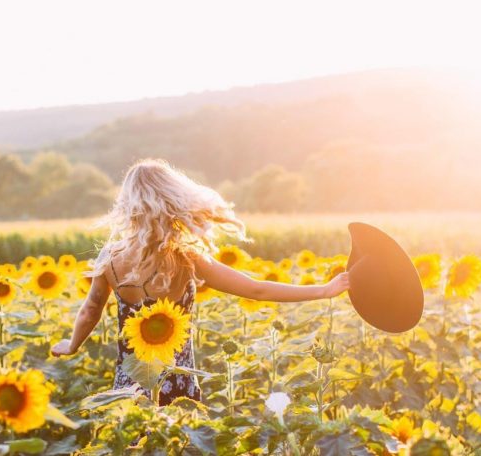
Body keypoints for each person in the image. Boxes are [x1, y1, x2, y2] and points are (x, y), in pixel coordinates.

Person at [50, 158, 349, 405]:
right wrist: (323, 290)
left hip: (129, 386)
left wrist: (72, 344)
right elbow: (255, 289)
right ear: (173, 199)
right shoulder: (184, 256)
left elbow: (91, 309)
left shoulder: (110, 256)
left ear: (128, 204)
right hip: (178, 384)